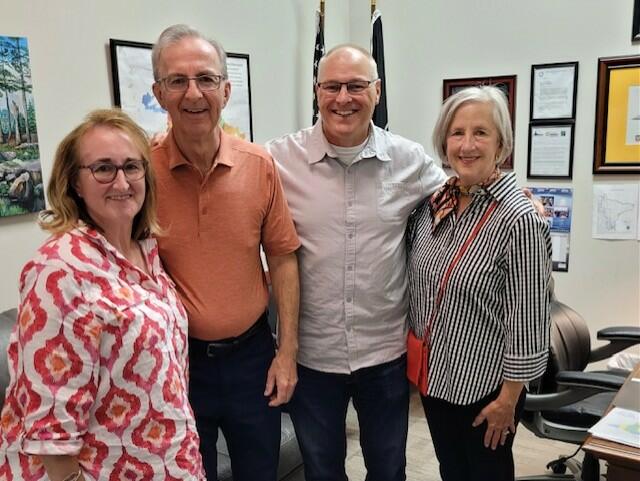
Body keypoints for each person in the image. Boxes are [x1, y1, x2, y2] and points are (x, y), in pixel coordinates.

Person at [265, 44, 447, 481]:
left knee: (388, 468)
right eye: (331, 86)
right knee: (323, 470)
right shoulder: (275, 160)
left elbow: (459, 196)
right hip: (312, 354)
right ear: (317, 91)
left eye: (356, 86)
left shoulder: (409, 160)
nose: (342, 97)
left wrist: (514, 197)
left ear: (377, 91)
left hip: (383, 353)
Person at [0, 109, 205, 481]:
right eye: (104, 168)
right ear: (75, 182)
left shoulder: (146, 251)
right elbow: (51, 426)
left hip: (168, 462)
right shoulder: (59, 269)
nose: (122, 181)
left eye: (132, 166)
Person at [150, 25, 300, 481]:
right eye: (177, 81)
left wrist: (287, 352)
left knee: (259, 472)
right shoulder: (138, 172)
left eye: (206, 79)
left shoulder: (259, 165)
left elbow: (283, 258)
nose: (193, 93)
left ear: (226, 90)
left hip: (252, 359)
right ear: (158, 93)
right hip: (176, 364)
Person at [406, 86, 552, 481]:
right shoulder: (435, 204)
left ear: (501, 143)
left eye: (481, 133)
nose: (467, 145)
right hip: (437, 381)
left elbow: (529, 318)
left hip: (487, 391)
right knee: (452, 472)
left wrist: (509, 399)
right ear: (444, 141)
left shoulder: (520, 218)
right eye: (457, 133)